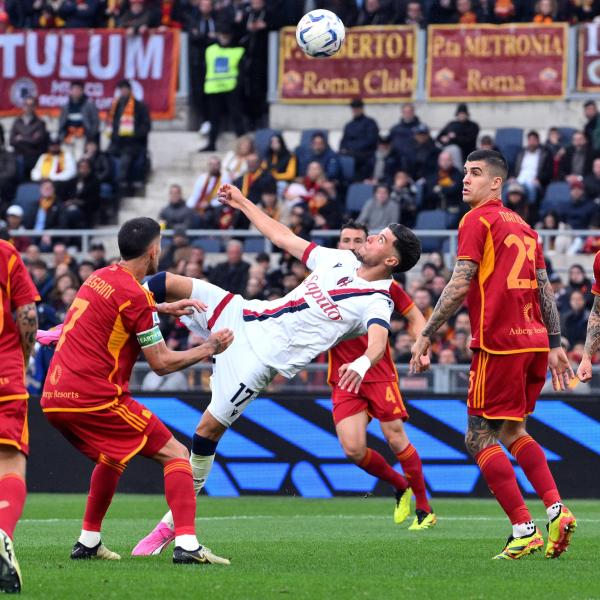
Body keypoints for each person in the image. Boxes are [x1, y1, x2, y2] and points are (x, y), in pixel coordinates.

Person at [132, 182, 423, 556]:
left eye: (380, 239)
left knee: (204, 434)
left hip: (257, 363)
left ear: (391, 261)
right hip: (243, 313)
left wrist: (365, 360)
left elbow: (379, 341)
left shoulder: (377, 300)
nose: (369, 239)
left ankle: (171, 528)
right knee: (161, 282)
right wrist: (242, 202)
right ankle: (94, 318)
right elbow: (284, 237)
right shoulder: (341, 259)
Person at [410, 149, 576, 560]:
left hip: (498, 342)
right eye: (465, 172)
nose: (466, 179)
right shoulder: (523, 226)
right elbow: (544, 288)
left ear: (496, 183)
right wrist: (554, 343)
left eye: (476, 173)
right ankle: (555, 509)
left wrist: (425, 333)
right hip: (534, 341)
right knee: (511, 431)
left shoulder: (476, 219)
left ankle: (523, 528)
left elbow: (461, 281)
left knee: (477, 434)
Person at [39, 217, 234, 565]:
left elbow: (124, 304)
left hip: (54, 397)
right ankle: (187, 545)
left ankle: (88, 541)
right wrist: (209, 348)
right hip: (95, 398)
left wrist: (160, 307)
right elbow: (160, 363)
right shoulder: (135, 297)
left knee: (112, 456)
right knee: (176, 455)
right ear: (154, 250)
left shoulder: (98, 277)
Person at [328, 220, 435, 529]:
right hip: (344, 375)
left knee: (395, 437)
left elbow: (415, 316)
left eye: (356, 240)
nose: (350, 245)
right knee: (353, 448)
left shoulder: (385, 285)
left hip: (377, 373)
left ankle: (425, 510)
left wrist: (421, 346)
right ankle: (399, 484)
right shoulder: (328, 277)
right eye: (344, 239)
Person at [0, 239, 39, 593]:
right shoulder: (4, 252)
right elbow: (27, 313)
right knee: (10, 464)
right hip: (4, 372)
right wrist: (22, 361)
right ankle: (1, 533)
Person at [200, 23, 246, 152]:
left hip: (231, 88)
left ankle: (244, 145)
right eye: (222, 35)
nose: (224, 38)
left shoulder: (237, 51)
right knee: (214, 119)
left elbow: (242, 72)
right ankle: (211, 144)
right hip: (214, 89)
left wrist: (238, 86)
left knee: (237, 117)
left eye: (227, 36)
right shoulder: (210, 50)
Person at [106, 79, 151, 192]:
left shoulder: (139, 106)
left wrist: (133, 135)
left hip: (132, 144)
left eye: (125, 89)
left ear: (130, 90)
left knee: (125, 160)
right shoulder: (115, 106)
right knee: (106, 157)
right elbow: (111, 124)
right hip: (116, 142)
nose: (123, 92)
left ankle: (121, 186)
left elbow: (146, 126)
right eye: (121, 89)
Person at [339, 98, 380, 181]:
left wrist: (352, 148)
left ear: (362, 108)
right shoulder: (349, 125)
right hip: (350, 157)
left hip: (365, 158)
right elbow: (343, 142)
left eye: (357, 108)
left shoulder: (370, 123)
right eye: (353, 108)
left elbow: (371, 140)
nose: (355, 110)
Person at [58, 81, 100, 159]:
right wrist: (62, 137)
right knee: (66, 160)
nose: (76, 92)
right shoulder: (66, 107)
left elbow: (95, 122)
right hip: (68, 138)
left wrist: (90, 139)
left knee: (80, 159)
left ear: (82, 91)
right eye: (74, 89)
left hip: (82, 138)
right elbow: (61, 124)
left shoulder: (89, 106)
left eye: (78, 89)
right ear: (70, 91)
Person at [9, 97, 48, 177]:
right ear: (23, 106)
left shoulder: (40, 123)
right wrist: (30, 138)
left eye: (31, 105)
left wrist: (21, 138)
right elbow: (12, 141)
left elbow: (38, 141)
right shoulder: (17, 122)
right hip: (19, 155)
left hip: (34, 156)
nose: (28, 107)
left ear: (34, 107)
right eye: (26, 105)